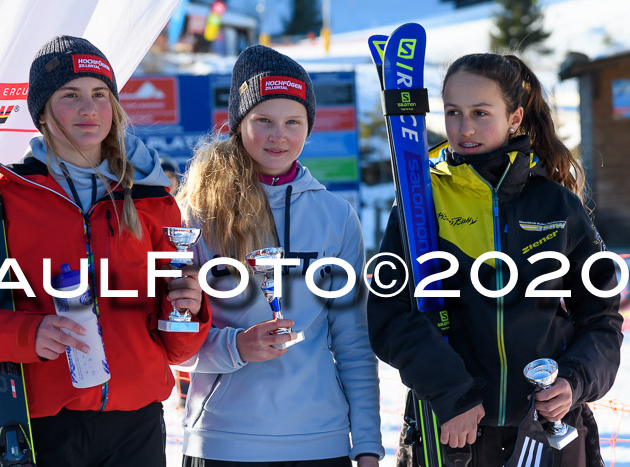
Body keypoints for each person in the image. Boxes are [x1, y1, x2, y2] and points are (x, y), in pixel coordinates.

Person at [0, 35, 211, 466]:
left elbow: (178, 350)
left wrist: (188, 311)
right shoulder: (1, 201)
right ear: (41, 112)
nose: (89, 108)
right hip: (41, 427)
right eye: (70, 95)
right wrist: (27, 334)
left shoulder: (151, 200)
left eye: (100, 94)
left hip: (136, 429)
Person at [367, 52, 623, 466]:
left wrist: (573, 382)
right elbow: (390, 314)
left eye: (481, 113)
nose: (464, 128)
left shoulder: (557, 205)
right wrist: (452, 394)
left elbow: (602, 319)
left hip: (546, 430)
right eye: (453, 112)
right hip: (454, 430)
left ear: (515, 118)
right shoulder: (422, 202)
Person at [176, 45, 384, 466]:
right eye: (263, 121)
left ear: (309, 128)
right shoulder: (197, 211)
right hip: (222, 441)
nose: (279, 136)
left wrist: (366, 444)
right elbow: (173, 343)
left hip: (320, 441)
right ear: (238, 124)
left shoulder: (335, 216)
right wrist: (237, 346)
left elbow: (353, 342)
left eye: (293, 121)